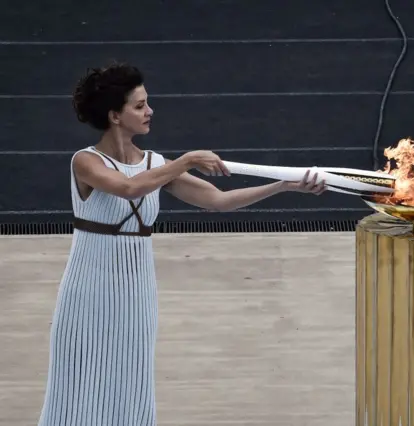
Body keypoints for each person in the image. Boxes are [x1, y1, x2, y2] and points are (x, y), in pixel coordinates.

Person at [37, 62, 326, 426]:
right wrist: (187, 160)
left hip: (137, 293)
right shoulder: (86, 162)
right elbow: (128, 188)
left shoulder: (157, 164)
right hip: (88, 291)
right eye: (139, 105)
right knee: (79, 383)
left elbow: (219, 200)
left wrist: (282, 186)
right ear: (114, 115)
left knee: (131, 382)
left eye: (147, 103)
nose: (150, 111)